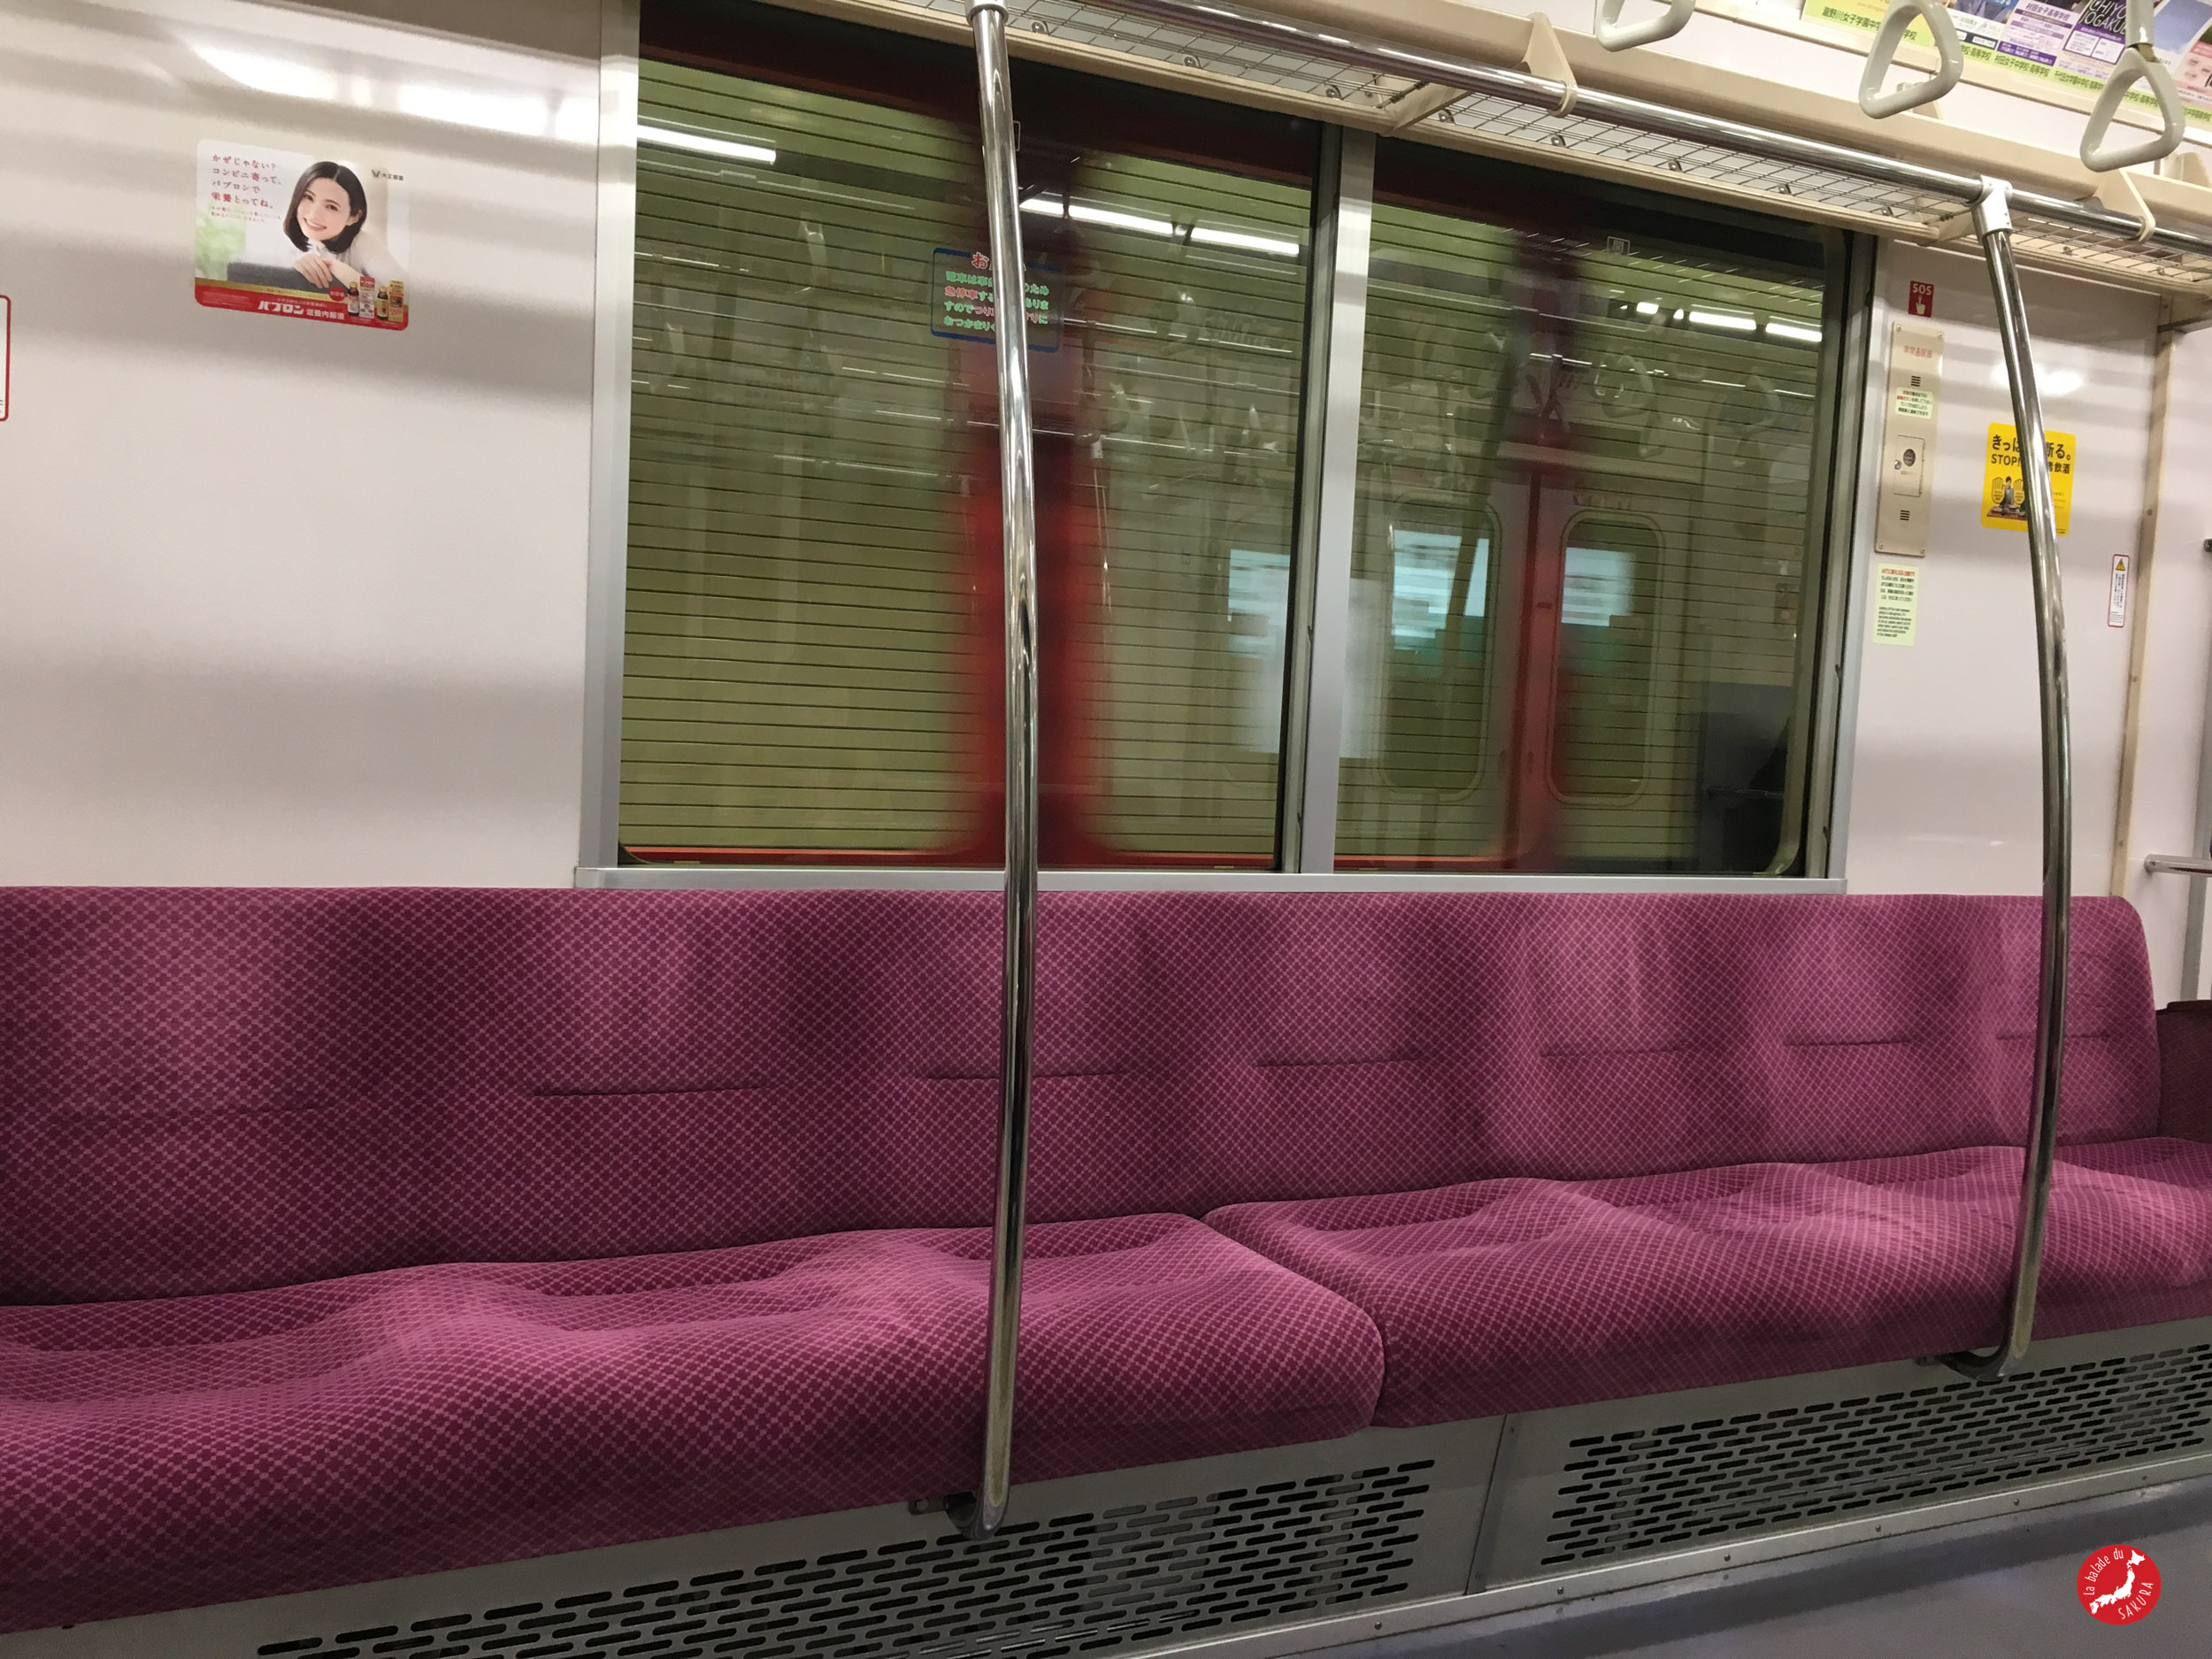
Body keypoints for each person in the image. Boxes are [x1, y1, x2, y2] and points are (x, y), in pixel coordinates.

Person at [282, 162, 378, 289]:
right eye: (308, 197)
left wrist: (337, 270)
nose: (314, 215)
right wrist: (293, 269)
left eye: (331, 207)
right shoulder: (283, 245)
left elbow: (400, 294)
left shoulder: (363, 244)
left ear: (354, 217)